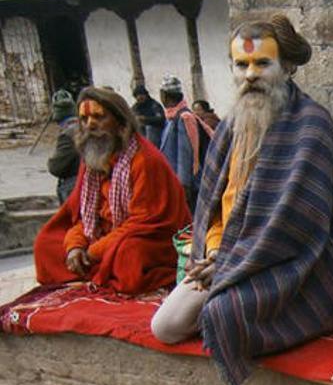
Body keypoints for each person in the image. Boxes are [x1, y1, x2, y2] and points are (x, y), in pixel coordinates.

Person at [150, 13, 333, 385]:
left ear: (286, 67)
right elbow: (214, 208)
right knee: (164, 326)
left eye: (262, 63)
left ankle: (260, 313)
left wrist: (228, 265)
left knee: (223, 314)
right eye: (241, 64)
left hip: (296, 264)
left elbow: (293, 226)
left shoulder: (312, 124)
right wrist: (214, 253)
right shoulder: (232, 125)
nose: (250, 74)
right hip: (228, 258)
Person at [34, 87, 191, 294]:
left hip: (148, 237)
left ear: (120, 122)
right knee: (45, 244)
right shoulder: (91, 160)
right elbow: (83, 215)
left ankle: (100, 270)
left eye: (99, 117)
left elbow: (143, 222)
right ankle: (96, 270)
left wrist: (94, 251)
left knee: (129, 255)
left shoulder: (144, 160)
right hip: (102, 236)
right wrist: (76, 246)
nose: (90, 124)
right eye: (84, 119)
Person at [158, 75, 211, 211]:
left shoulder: (184, 118)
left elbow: (185, 154)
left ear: (165, 96)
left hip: (186, 185)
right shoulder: (171, 117)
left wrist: (184, 186)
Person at [46, 89, 80, 203]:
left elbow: (56, 167)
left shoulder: (67, 135)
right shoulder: (86, 126)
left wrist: (51, 162)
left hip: (75, 183)